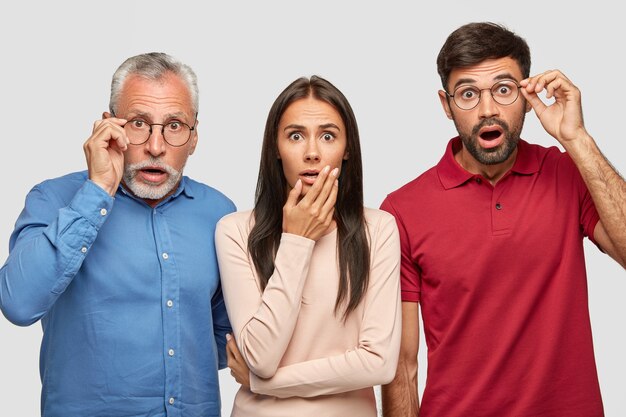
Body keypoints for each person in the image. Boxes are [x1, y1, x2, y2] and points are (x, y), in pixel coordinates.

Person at [380, 22, 626, 417]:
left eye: (504, 89)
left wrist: (577, 139)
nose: (488, 109)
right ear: (446, 105)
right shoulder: (402, 210)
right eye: (468, 94)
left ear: (528, 96)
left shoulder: (568, 173)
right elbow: (401, 366)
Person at [0, 52, 236, 417]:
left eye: (174, 126)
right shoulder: (54, 199)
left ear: (194, 137)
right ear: (109, 127)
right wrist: (97, 191)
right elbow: (18, 304)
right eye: (139, 123)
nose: (156, 147)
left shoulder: (219, 213)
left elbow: (221, 338)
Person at [215, 75, 401, 417]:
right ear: (276, 147)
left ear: (347, 150)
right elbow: (260, 357)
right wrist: (297, 240)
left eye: (328, 136)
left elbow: (379, 363)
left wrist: (263, 384)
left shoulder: (378, 229)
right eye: (296, 136)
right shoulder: (236, 231)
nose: (312, 153)